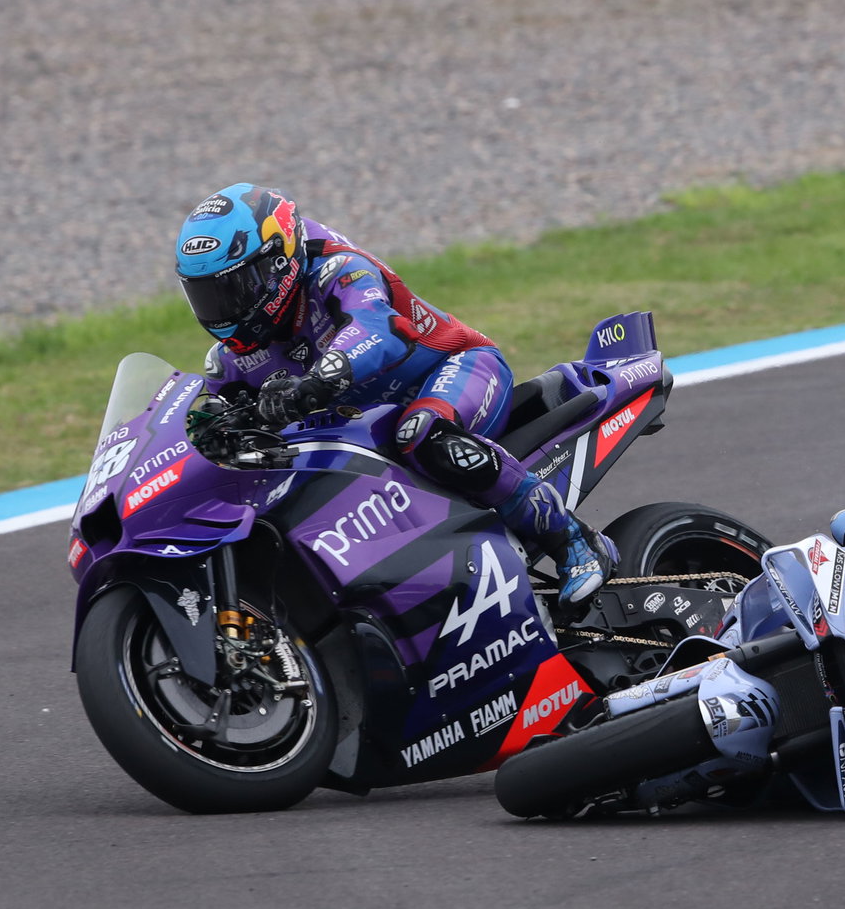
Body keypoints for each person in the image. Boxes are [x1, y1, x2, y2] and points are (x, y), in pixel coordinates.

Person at [173, 182, 616, 601]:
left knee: (421, 433)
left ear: (278, 263)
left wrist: (314, 384)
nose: (223, 309)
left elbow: (378, 331)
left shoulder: (339, 268)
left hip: (454, 367)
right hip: (370, 427)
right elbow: (216, 421)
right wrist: (207, 429)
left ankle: (574, 540)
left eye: (233, 289)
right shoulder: (229, 358)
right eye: (207, 295)